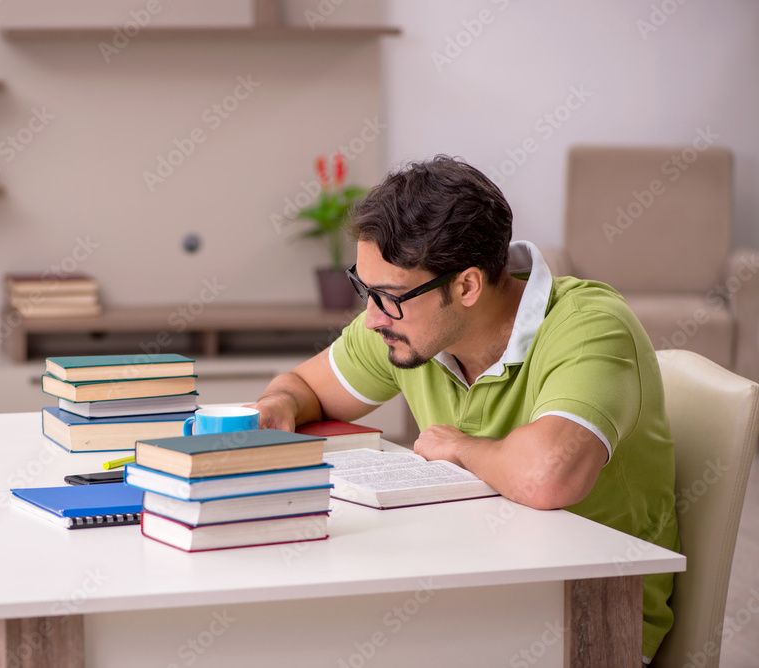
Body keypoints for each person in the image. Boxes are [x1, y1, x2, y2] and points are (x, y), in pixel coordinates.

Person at [249, 155, 679, 663]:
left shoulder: (590, 326)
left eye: (385, 296)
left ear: (467, 286)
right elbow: (303, 385)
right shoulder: (409, 330)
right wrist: (276, 406)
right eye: (364, 289)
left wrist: (459, 446)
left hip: (588, 622)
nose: (370, 319)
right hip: (471, 589)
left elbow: (548, 476)